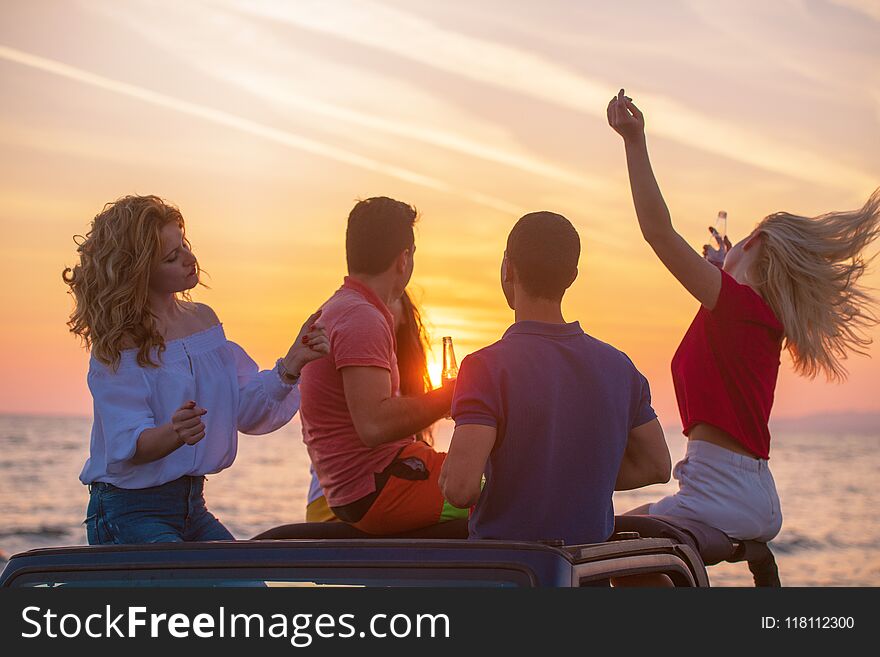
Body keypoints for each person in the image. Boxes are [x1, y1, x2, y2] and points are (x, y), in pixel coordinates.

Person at [607, 88, 880, 541]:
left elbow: (657, 232)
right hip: (749, 492)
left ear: (753, 244)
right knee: (632, 555)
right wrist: (725, 267)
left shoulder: (738, 309)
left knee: (606, 542)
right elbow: (726, 321)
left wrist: (634, 142)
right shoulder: (757, 319)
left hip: (721, 494)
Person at [63, 195, 329, 544]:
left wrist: (292, 364)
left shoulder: (204, 322)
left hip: (192, 507)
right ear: (140, 271)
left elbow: (245, 411)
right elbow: (129, 444)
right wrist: (173, 432)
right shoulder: (120, 343)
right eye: (172, 257)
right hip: (128, 512)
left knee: (250, 594)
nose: (190, 260)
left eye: (184, 245)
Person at [439, 211, 671, 545]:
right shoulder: (621, 368)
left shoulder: (484, 367)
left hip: (509, 575)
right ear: (572, 276)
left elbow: (460, 489)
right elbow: (657, 465)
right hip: (586, 576)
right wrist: (578, 475)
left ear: (508, 268)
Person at [298, 197, 467, 534]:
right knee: (507, 490)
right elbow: (373, 425)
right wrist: (450, 396)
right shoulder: (362, 317)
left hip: (365, 487)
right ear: (404, 260)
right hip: (379, 488)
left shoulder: (339, 308)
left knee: (494, 477)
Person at [304, 290, 434, 522]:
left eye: (390, 299)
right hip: (341, 500)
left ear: (405, 316)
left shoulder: (402, 380)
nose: (378, 308)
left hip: (382, 490)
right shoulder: (346, 347)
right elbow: (371, 429)